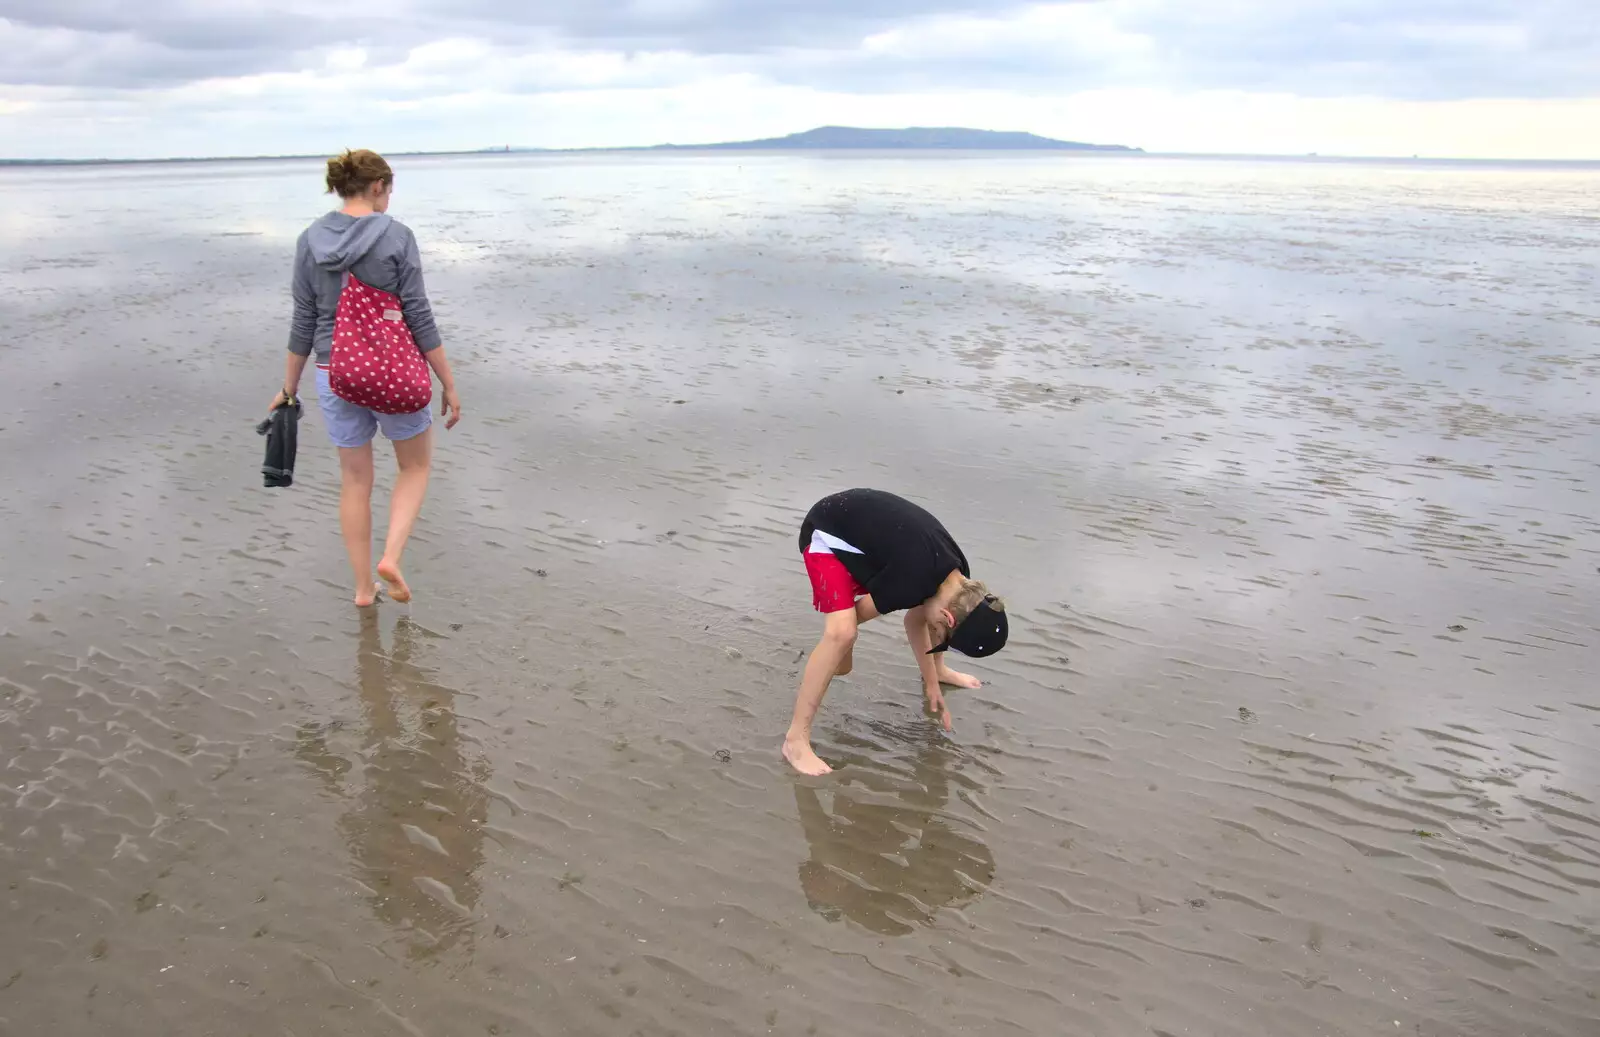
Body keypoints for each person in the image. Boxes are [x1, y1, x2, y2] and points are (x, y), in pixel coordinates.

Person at [272, 148, 462, 607]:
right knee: (414, 467)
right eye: (390, 188)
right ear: (378, 186)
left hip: (332, 369)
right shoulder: (397, 237)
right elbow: (418, 314)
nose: (390, 197)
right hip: (394, 370)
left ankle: (362, 589)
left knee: (355, 480)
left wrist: (287, 388)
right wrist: (448, 383)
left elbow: (303, 318)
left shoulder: (309, 239)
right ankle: (391, 557)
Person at [783, 488, 1009, 776]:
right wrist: (842, 652)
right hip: (823, 533)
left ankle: (939, 670)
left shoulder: (958, 576)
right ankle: (795, 741)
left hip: (865, 534)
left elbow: (918, 620)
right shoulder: (910, 581)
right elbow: (859, 616)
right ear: (949, 618)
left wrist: (932, 681)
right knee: (842, 633)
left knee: (884, 621)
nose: (935, 639)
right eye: (942, 638)